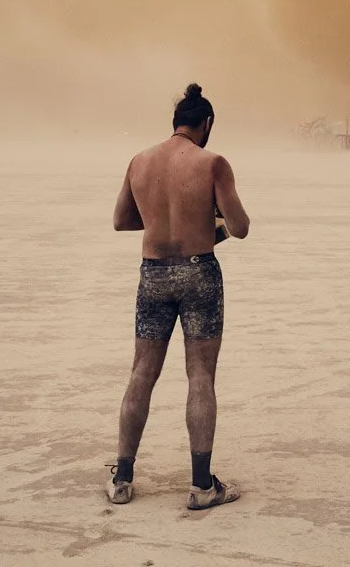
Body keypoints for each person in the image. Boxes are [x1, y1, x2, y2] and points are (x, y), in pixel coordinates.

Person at [107, 83, 250, 510]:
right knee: (200, 376)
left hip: (153, 275)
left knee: (141, 374)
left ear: (175, 123)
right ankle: (202, 486)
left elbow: (120, 221)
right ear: (206, 124)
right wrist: (209, 228)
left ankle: (123, 479)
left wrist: (159, 223)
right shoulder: (212, 163)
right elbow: (240, 227)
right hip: (199, 274)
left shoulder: (140, 160)